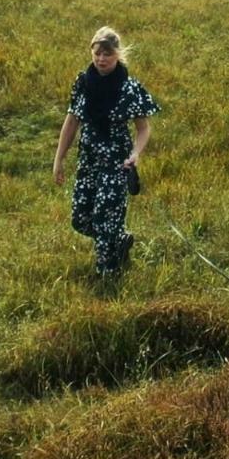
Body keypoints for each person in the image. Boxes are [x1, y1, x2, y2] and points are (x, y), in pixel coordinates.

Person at [53, 26, 159, 276]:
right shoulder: (83, 82)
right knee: (81, 218)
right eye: (97, 53)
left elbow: (143, 129)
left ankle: (107, 276)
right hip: (88, 161)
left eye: (107, 54)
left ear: (118, 55)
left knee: (105, 218)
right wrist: (59, 159)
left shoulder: (129, 88)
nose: (101, 59)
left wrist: (135, 154)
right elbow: (71, 121)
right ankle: (119, 240)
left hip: (116, 162)